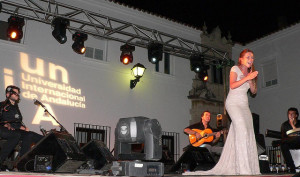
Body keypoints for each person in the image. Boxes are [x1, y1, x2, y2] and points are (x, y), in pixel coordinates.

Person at [184, 49, 260, 175]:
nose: (251, 59)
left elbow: (253, 92)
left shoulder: (251, 73)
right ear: (241, 59)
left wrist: (251, 79)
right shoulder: (235, 69)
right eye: (248, 57)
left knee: (248, 132)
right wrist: (247, 77)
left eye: (252, 57)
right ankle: (243, 169)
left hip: (244, 105)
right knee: (241, 129)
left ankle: (248, 167)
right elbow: (233, 85)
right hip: (233, 103)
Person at [0, 85, 43, 162]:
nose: (17, 94)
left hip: (17, 130)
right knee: (24, 135)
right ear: (7, 94)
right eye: (14, 93)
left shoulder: (16, 107)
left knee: (39, 138)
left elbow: (17, 121)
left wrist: (22, 127)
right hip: (9, 130)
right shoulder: (2, 105)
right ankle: (22, 160)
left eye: (18, 93)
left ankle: (23, 160)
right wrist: (20, 127)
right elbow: (6, 120)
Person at [280, 107, 300, 173]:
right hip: (290, 143)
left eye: (292, 114)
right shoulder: (284, 125)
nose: (290, 116)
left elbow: (298, 133)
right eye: (289, 114)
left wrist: (292, 124)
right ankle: (291, 167)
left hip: (298, 142)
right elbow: (283, 137)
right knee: (283, 144)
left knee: (297, 137)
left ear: (296, 115)